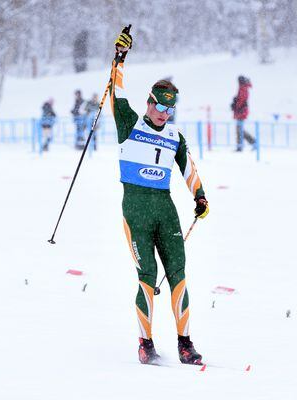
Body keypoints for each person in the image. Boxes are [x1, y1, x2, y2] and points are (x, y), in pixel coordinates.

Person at [111, 27, 209, 365]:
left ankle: (185, 343)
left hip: (164, 208)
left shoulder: (174, 136)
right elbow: (115, 93)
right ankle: (145, 341)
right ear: (149, 103)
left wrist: (200, 197)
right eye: (159, 108)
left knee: (179, 274)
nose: (164, 115)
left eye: (169, 110)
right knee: (148, 277)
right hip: (135, 210)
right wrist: (119, 58)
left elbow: (189, 170)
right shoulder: (129, 123)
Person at [231, 75, 256, 151]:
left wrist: (236, 105)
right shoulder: (242, 88)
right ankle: (241, 145)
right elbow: (240, 99)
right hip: (240, 111)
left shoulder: (243, 88)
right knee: (239, 129)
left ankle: (251, 142)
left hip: (241, 111)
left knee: (239, 129)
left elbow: (242, 100)